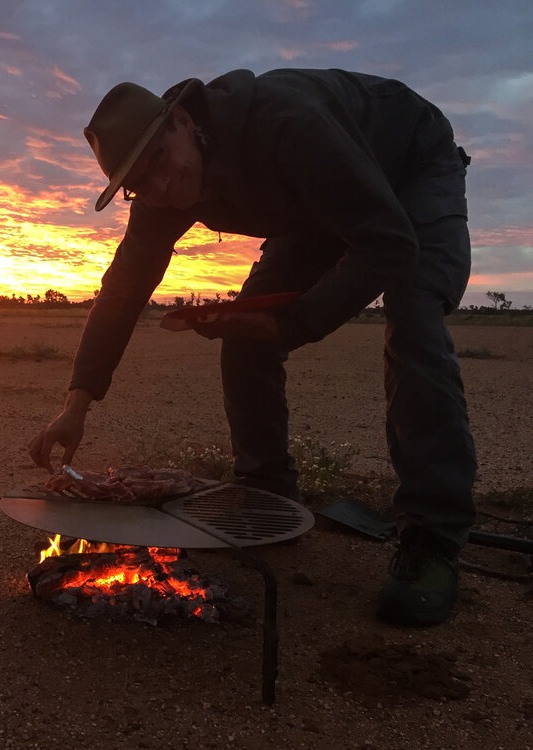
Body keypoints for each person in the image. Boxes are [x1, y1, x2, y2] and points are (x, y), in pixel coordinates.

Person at [27, 68, 476, 628]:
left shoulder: (287, 125)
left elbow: (386, 241)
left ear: (184, 121)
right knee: (243, 332)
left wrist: (290, 325)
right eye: (141, 183)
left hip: (407, 164)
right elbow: (123, 288)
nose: (163, 186)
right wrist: (76, 404)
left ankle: (432, 538)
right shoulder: (160, 189)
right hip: (314, 207)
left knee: (413, 319)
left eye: (163, 160)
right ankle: (267, 498)